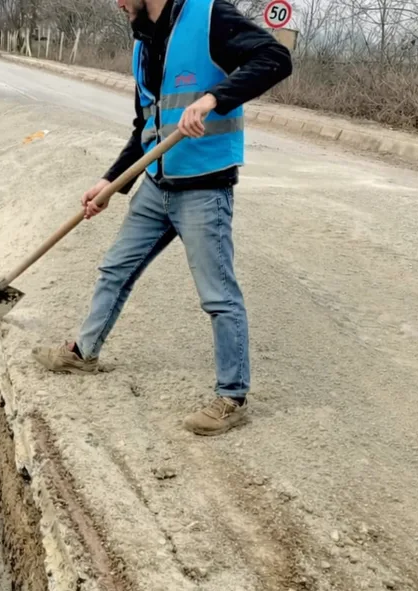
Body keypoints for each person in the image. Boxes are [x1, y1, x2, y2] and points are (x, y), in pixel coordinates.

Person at [31, 0, 292, 436]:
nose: (116, 2)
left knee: (218, 295)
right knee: (115, 269)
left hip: (205, 187)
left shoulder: (209, 16)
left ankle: (231, 397)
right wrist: (110, 182)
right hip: (156, 183)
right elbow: (145, 127)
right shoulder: (141, 42)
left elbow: (276, 59)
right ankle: (83, 353)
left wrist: (215, 97)